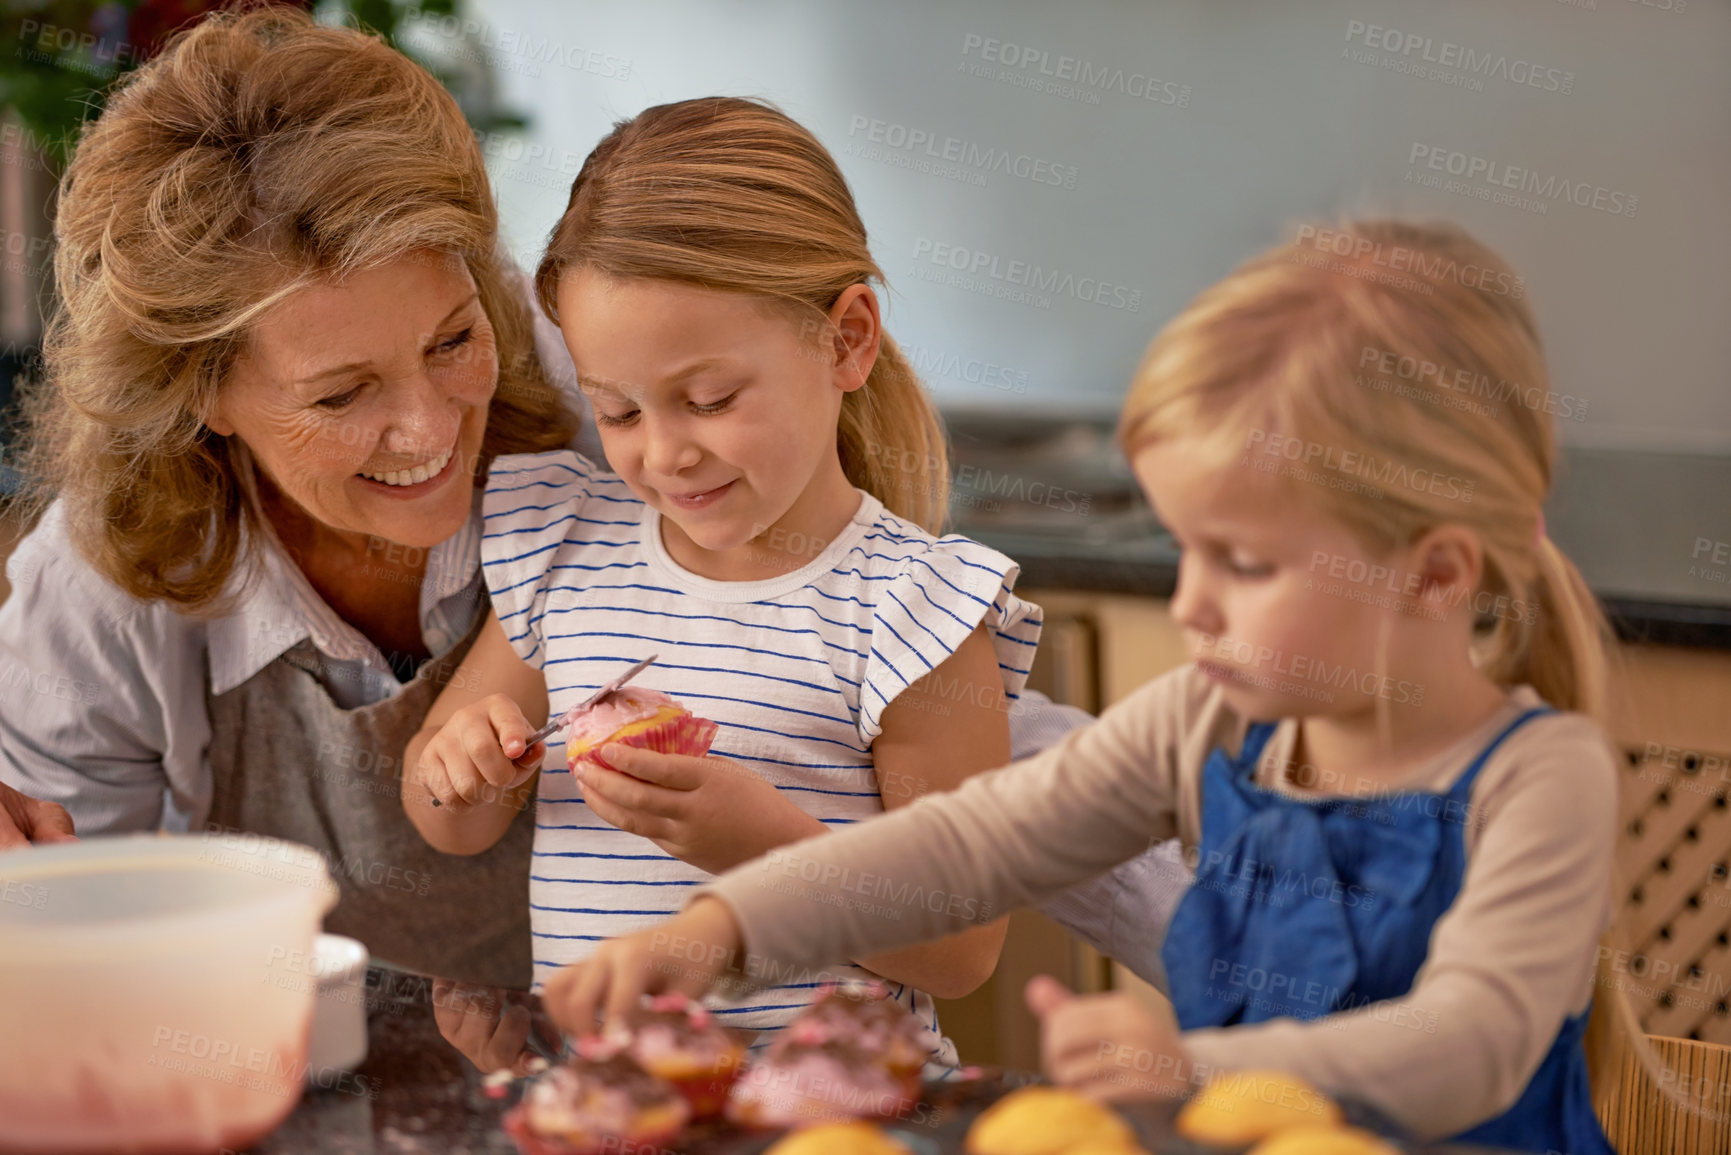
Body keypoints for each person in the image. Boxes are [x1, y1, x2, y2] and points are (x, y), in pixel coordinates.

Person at [528, 221, 1638, 1152]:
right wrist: (721, 928)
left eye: (1244, 564)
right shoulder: (1208, 723)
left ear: (1434, 573)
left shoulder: (1540, 780)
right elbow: (966, 847)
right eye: (1183, 549)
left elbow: (1473, 1039)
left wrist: (1191, 1063)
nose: (1190, 604)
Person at [402, 98, 1035, 1065]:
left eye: (709, 400)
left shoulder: (913, 611)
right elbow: (449, 819)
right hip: (610, 1111)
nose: (664, 455)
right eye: (616, 411)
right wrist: (461, 769)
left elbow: (958, 946)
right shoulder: (569, 552)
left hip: (840, 1120)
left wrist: (765, 844)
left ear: (846, 340)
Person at [0, 7, 579, 987]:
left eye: (451, 342)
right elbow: (72, 963)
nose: (431, 431)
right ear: (199, 396)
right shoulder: (96, 586)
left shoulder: (607, 398)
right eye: (342, 393)